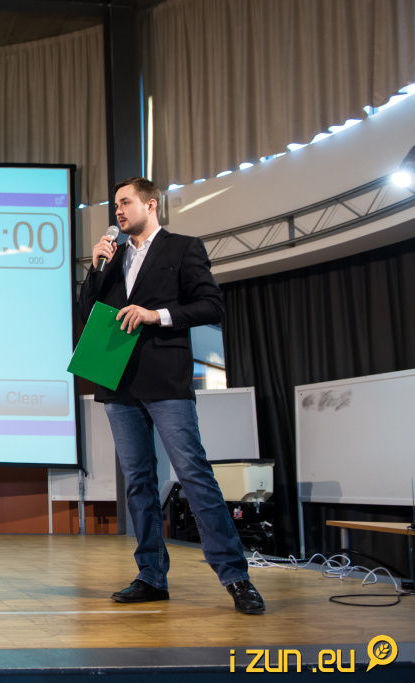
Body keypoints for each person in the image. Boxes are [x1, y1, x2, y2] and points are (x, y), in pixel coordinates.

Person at [76, 176, 265, 615]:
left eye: (126, 202)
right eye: (116, 205)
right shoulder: (112, 256)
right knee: (138, 482)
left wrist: (154, 315)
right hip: (117, 381)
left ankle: (236, 577)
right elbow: (87, 314)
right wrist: (96, 268)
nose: (118, 211)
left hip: (165, 380)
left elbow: (211, 305)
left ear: (151, 204)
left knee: (194, 475)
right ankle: (151, 576)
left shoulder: (182, 248)